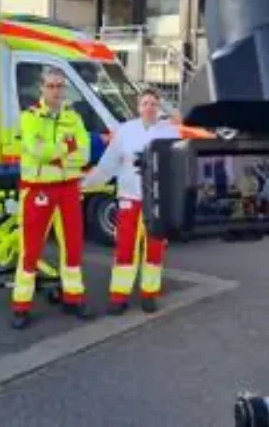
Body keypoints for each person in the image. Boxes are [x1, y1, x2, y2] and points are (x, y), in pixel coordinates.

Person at [82, 88, 180, 314]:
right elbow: (108, 164)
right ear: (138, 107)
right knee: (124, 248)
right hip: (129, 199)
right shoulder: (125, 131)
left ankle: (149, 295)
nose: (149, 108)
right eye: (145, 103)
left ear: (159, 107)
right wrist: (86, 183)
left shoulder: (170, 132)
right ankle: (119, 297)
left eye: (153, 104)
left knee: (154, 250)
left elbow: (177, 167)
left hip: (156, 202)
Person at [11, 66, 93, 330]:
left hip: (69, 189)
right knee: (30, 249)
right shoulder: (29, 117)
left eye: (60, 86)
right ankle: (21, 307)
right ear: (41, 89)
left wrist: (58, 154)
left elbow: (85, 154)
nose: (56, 91)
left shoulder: (75, 117)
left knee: (73, 246)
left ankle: (74, 298)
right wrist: (65, 149)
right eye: (51, 86)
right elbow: (37, 151)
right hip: (38, 189)